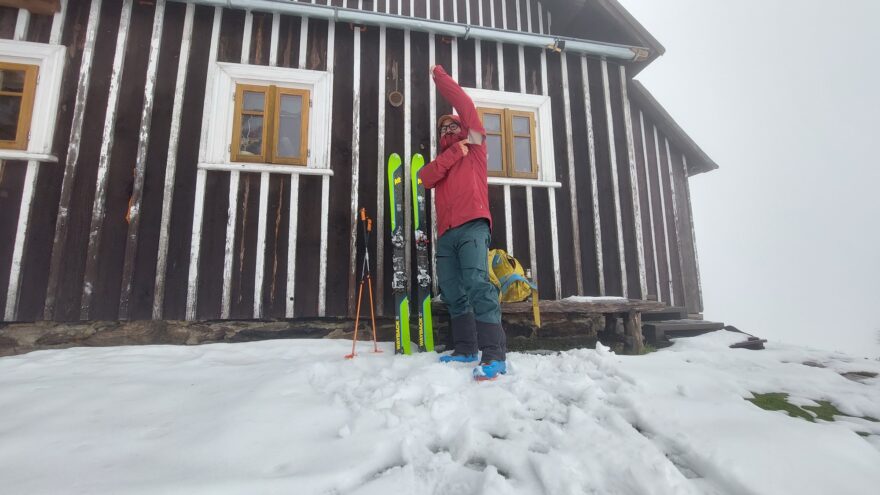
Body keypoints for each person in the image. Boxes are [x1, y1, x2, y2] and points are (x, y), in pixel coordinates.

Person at [419, 65, 507, 381]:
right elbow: (424, 178)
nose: (447, 130)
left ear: (462, 128)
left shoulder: (477, 148)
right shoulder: (447, 160)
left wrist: (440, 77)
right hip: (447, 233)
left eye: (451, 126)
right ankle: (467, 349)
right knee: (453, 289)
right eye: (442, 129)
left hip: (472, 225)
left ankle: (495, 355)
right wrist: (454, 152)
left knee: (477, 284)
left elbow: (466, 107)